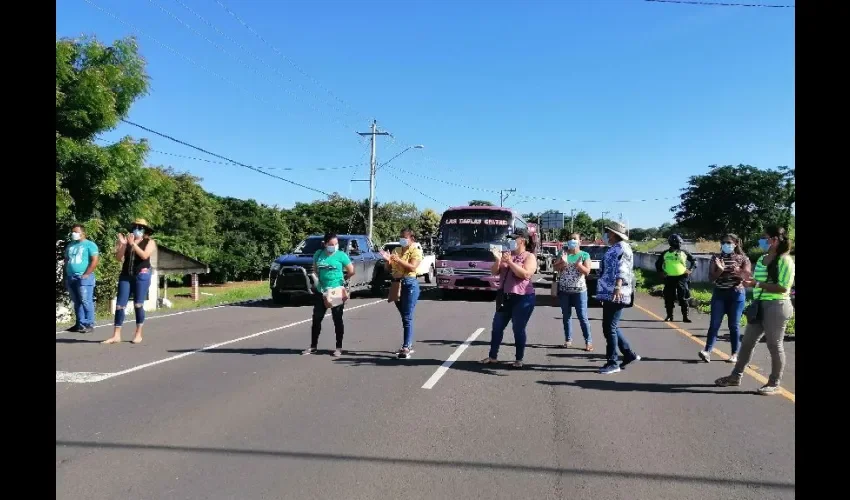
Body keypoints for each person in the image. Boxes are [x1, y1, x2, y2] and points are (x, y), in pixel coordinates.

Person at [715, 225, 795, 395]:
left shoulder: (785, 261)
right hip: (759, 305)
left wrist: (756, 284)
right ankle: (735, 376)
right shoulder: (762, 259)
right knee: (747, 343)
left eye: (764, 237)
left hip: (777, 306)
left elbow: (783, 287)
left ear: (774, 240)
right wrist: (745, 277)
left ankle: (774, 383)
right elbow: (755, 280)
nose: (761, 240)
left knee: (774, 345)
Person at [480, 228, 538, 368]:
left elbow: (525, 274)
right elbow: (494, 271)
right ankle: (492, 356)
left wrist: (510, 262)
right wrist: (498, 260)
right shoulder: (507, 254)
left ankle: (519, 359)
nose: (510, 241)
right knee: (497, 327)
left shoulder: (529, 257)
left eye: (514, 238)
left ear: (522, 240)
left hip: (523, 298)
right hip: (504, 297)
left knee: (518, 329)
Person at [102, 219, 157, 345]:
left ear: (145, 230)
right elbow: (118, 258)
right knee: (119, 305)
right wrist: (122, 245)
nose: (137, 229)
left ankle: (138, 333)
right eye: (135, 227)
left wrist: (133, 244)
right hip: (126, 275)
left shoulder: (150, 242)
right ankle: (116, 335)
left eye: (140, 227)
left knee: (138, 304)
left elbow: (144, 255)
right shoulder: (127, 242)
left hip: (141, 275)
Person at [596, 221, 640, 375]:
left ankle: (612, 362)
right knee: (612, 326)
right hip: (609, 291)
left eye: (608, 232)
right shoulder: (615, 248)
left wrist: (617, 287)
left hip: (616, 292)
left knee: (609, 328)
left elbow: (622, 269)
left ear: (614, 234)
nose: (607, 235)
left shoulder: (622, 248)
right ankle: (628, 354)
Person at [699, 234, 751, 363]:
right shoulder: (716, 258)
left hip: (736, 294)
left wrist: (738, 271)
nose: (725, 245)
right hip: (719, 294)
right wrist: (720, 270)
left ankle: (734, 354)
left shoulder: (743, 259)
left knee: (734, 325)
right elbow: (711, 278)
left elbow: (746, 278)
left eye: (728, 242)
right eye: (723, 242)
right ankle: (707, 351)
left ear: (735, 244)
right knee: (714, 324)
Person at [302, 233, 355, 357]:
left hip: (336, 291)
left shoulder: (341, 255)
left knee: (337, 318)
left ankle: (338, 347)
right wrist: (317, 281)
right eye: (331, 244)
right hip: (322, 290)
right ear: (325, 244)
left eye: (336, 244)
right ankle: (313, 346)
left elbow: (351, 271)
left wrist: (343, 279)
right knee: (316, 319)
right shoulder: (318, 255)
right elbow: (315, 270)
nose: (334, 246)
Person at [380, 228, 423, 359]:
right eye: (401, 237)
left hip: (409, 283)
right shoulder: (396, 250)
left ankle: (406, 346)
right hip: (396, 283)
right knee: (404, 315)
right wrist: (387, 260)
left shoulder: (416, 250)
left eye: (405, 238)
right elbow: (387, 269)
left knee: (407, 316)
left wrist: (398, 260)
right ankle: (407, 343)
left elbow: (413, 267)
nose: (402, 240)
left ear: (412, 239)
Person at [553, 233, 593, 351]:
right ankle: (568, 340)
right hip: (564, 291)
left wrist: (579, 265)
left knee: (582, 317)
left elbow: (587, 272)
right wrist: (562, 262)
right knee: (566, 316)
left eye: (574, 239)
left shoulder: (585, 255)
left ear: (580, 241)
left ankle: (588, 341)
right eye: (570, 239)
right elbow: (555, 268)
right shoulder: (563, 253)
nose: (572, 241)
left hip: (579, 291)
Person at [63, 223, 100, 333]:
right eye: (72, 232)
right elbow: (66, 260)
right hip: (71, 276)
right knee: (77, 301)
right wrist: (65, 275)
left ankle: (89, 324)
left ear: (83, 233)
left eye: (76, 232)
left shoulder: (90, 245)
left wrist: (87, 274)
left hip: (84, 277)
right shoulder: (70, 245)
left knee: (86, 300)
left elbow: (95, 260)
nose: (73, 234)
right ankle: (80, 323)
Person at [655, 234, 697, 322]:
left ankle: (685, 317)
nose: (679, 244)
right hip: (669, 278)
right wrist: (661, 272)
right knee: (669, 297)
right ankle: (669, 316)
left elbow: (694, 261)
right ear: (671, 243)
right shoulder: (665, 253)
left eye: (680, 242)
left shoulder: (684, 252)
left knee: (683, 297)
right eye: (677, 242)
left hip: (682, 278)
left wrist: (690, 269)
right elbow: (658, 264)